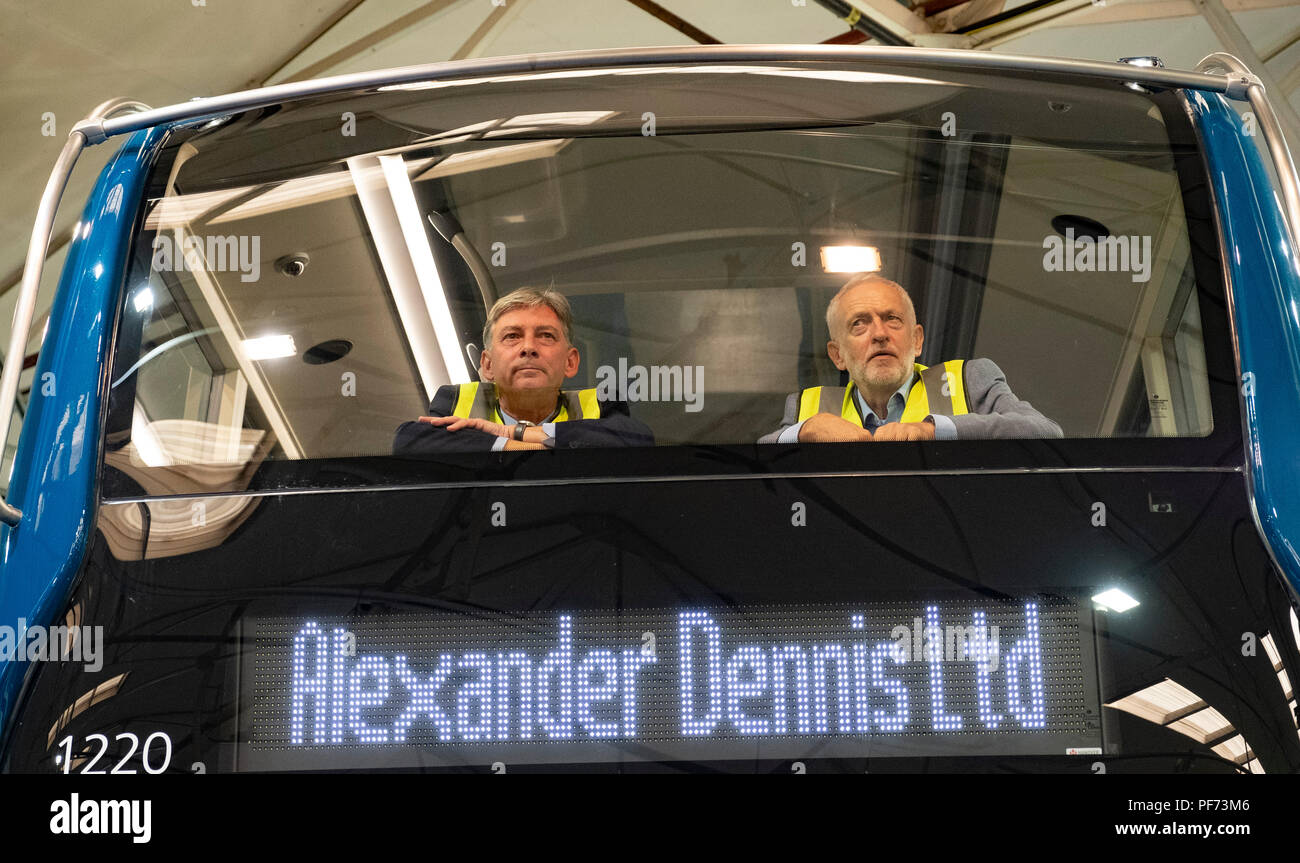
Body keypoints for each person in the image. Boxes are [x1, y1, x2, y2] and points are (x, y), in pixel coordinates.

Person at [760, 275, 1062, 443]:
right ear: (837, 355)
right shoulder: (807, 407)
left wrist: (932, 430)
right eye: (859, 323)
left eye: (892, 319)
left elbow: (1046, 432)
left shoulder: (969, 381)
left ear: (916, 340)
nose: (879, 334)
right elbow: (760, 455)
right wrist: (805, 431)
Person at [394, 288, 653, 453]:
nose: (528, 347)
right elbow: (409, 441)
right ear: (487, 365)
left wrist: (510, 431)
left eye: (546, 336)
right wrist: (524, 446)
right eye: (512, 336)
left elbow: (637, 440)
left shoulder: (600, 404)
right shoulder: (454, 402)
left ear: (570, 362)